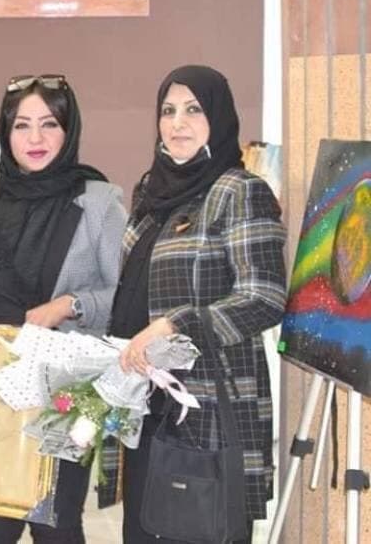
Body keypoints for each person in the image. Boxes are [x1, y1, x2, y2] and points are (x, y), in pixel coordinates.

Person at [0, 74, 126, 543]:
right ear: (6, 133)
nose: (35, 138)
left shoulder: (100, 202)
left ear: (69, 130)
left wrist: (70, 305)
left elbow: (124, 298)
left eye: (49, 124)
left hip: (66, 390)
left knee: (54, 523)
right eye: (22, 125)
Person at [100, 65, 287, 543]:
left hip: (207, 412)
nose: (177, 123)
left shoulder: (239, 191)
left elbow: (265, 298)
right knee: (143, 531)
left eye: (193, 110)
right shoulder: (151, 191)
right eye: (168, 111)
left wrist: (173, 325)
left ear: (218, 118)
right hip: (147, 405)